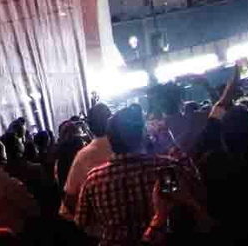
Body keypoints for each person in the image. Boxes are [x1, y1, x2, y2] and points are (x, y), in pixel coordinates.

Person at [75, 104, 196, 246]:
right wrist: (169, 142)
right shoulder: (165, 167)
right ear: (142, 135)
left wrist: (110, 232)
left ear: (110, 140)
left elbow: (81, 222)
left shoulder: (93, 179)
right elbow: (194, 182)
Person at [61, 100, 113, 219]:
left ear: (89, 127)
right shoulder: (126, 147)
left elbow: (69, 199)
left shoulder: (82, 156)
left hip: (99, 230)